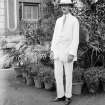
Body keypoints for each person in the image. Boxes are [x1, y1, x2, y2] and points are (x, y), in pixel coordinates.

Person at [50, 0, 79, 105]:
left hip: (68, 52)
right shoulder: (58, 20)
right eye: (62, 5)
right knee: (57, 74)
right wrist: (52, 50)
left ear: (70, 7)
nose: (64, 7)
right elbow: (55, 37)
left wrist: (72, 53)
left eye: (66, 5)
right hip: (58, 52)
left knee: (68, 75)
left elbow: (75, 39)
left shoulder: (74, 20)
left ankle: (68, 96)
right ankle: (60, 95)